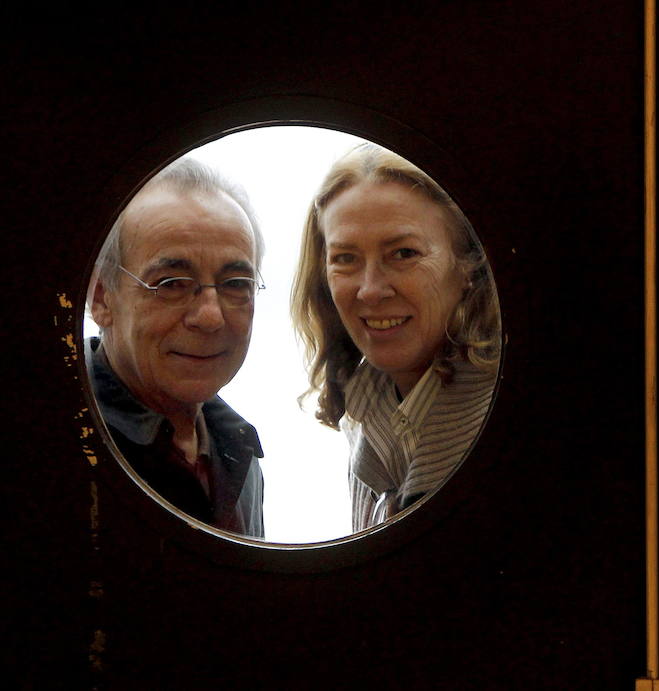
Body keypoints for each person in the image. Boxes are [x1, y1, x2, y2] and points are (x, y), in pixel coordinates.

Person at [291, 145, 500, 531]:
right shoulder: (367, 424)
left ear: (469, 263)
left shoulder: (505, 423)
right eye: (345, 258)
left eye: (403, 253)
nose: (370, 290)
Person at [87, 158, 266, 537]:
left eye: (235, 283)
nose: (210, 317)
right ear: (102, 298)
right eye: (171, 284)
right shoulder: (56, 441)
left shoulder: (239, 454)